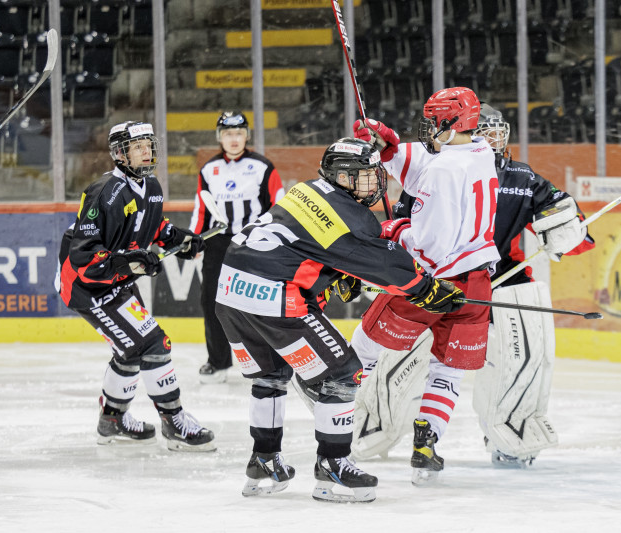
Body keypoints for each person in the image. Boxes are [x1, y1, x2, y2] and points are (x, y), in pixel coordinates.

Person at [214, 137, 466, 502]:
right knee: (342, 374)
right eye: (364, 175)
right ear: (342, 177)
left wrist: (334, 275)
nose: (375, 181)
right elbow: (382, 263)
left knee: (270, 376)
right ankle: (333, 467)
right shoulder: (349, 214)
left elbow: (303, 247)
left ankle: (264, 460)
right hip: (274, 299)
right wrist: (425, 288)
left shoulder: (307, 191)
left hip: (230, 291)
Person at [350, 103, 595, 469]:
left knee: (514, 363)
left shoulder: (511, 176)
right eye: (486, 130)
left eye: (497, 130)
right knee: (444, 368)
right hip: (477, 285)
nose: (492, 137)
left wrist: (567, 228)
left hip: (471, 283)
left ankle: (508, 438)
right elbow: (414, 187)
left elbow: (572, 235)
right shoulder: (475, 160)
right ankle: (391, 427)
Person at [351, 87, 501, 485]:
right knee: (447, 369)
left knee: (366, 344)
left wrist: (397, 231)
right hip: (476, 284)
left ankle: (335, 400)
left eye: (435, 121)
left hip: (433, 283)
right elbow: (430, 165)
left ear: (451, 123)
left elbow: (431, 246)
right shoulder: (482, 151)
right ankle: (427, 440)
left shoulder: (443, 169)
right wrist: (390, 148)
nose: (430, 129)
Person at [57, 120, 216, 452]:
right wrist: (128, 262)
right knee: (154, 345)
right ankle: (173, 422)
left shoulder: (152, 185)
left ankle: (111, 419)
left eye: (149, 144)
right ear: (120, 154)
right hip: (88, 285)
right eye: (138, 146)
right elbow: (84, 256)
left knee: (130, 350)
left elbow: (154, 226)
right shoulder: (104, 192)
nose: (147, 151)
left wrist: (181, 238)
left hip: (117, 281)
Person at [189, 111, 284, 384]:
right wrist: (196, 239)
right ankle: (218, 363)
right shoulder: (208, 169)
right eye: (228, 134)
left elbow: (278, 206)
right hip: (218, 242)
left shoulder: (263, 166)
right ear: (220, 137)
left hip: (253, 241)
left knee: (258, 301)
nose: (234, 139)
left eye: (239, 133)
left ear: (247, 136)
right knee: (212, 302)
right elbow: (201, 209)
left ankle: (265, 359)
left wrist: (276, 239)